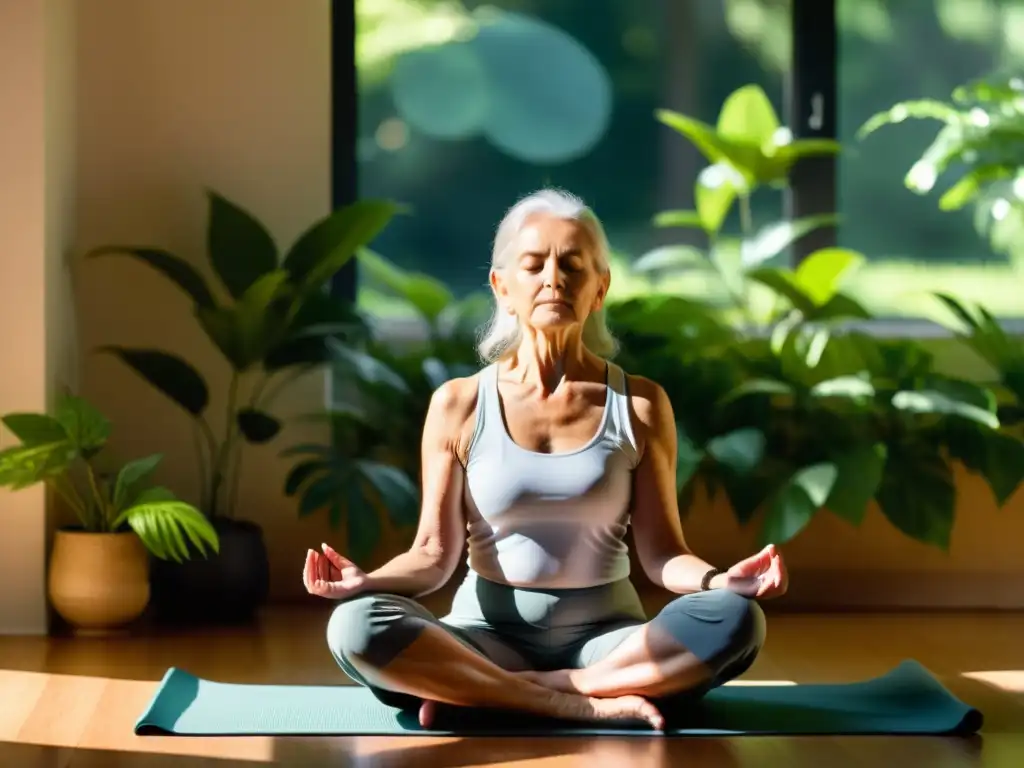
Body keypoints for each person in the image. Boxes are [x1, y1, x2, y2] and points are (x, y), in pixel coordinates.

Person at [302, 188, 788, 730]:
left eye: (572, 265)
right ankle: (566, 703)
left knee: (737, 621)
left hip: (609, 643)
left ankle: (498, 694)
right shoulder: (459, 404)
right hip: (483, 638)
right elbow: (432, 555)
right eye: (533, 265)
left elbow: (664, 555)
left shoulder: (641, 404)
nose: (552, 278)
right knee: (355, 627)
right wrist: (363, 584)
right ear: (502, 287)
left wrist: (722, 582)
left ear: (599, 288)